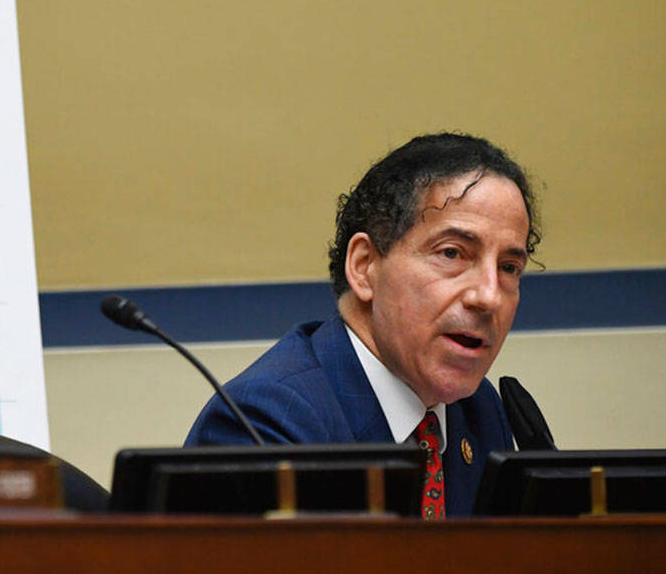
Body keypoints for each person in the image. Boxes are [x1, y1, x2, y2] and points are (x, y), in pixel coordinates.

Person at [184, 133, 540, 517]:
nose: (488, 296)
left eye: (508, 268)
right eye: (452, 253)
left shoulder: (477, 409)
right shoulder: (266, 423)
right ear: (364, 266)